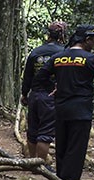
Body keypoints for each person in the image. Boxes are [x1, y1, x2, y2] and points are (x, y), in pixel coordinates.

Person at [33, 24, 94, 180]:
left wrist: (53, 88)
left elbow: (39, 78)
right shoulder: (90, 59)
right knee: (76, 146)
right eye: (93, 40)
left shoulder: (58, 58)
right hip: (81, 110)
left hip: (61, 109)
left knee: (62, 144)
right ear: (87, 40)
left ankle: (60, 179)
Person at [20, 21, 67, 169]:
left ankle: (32, 162)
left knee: (33, 131)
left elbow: (27, 76)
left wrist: (24, 94)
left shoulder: (35, 52)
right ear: (62, 35)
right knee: (45, 133)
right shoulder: (64, 52)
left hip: (34, 95)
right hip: (51, 96)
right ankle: (40, 166)